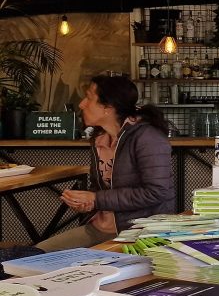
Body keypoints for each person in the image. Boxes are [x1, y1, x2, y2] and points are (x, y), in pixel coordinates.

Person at [36, 74, 174, 252]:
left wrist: (96, 199)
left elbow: (157, 192)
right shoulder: (99, 139)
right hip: (99, 228)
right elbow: (99, 189)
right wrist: (87, 203)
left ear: (108, 108)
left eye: (88, 98)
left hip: (138, 233)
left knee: (56, 266)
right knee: (35, 254)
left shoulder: (147, 137)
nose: (81, 104)